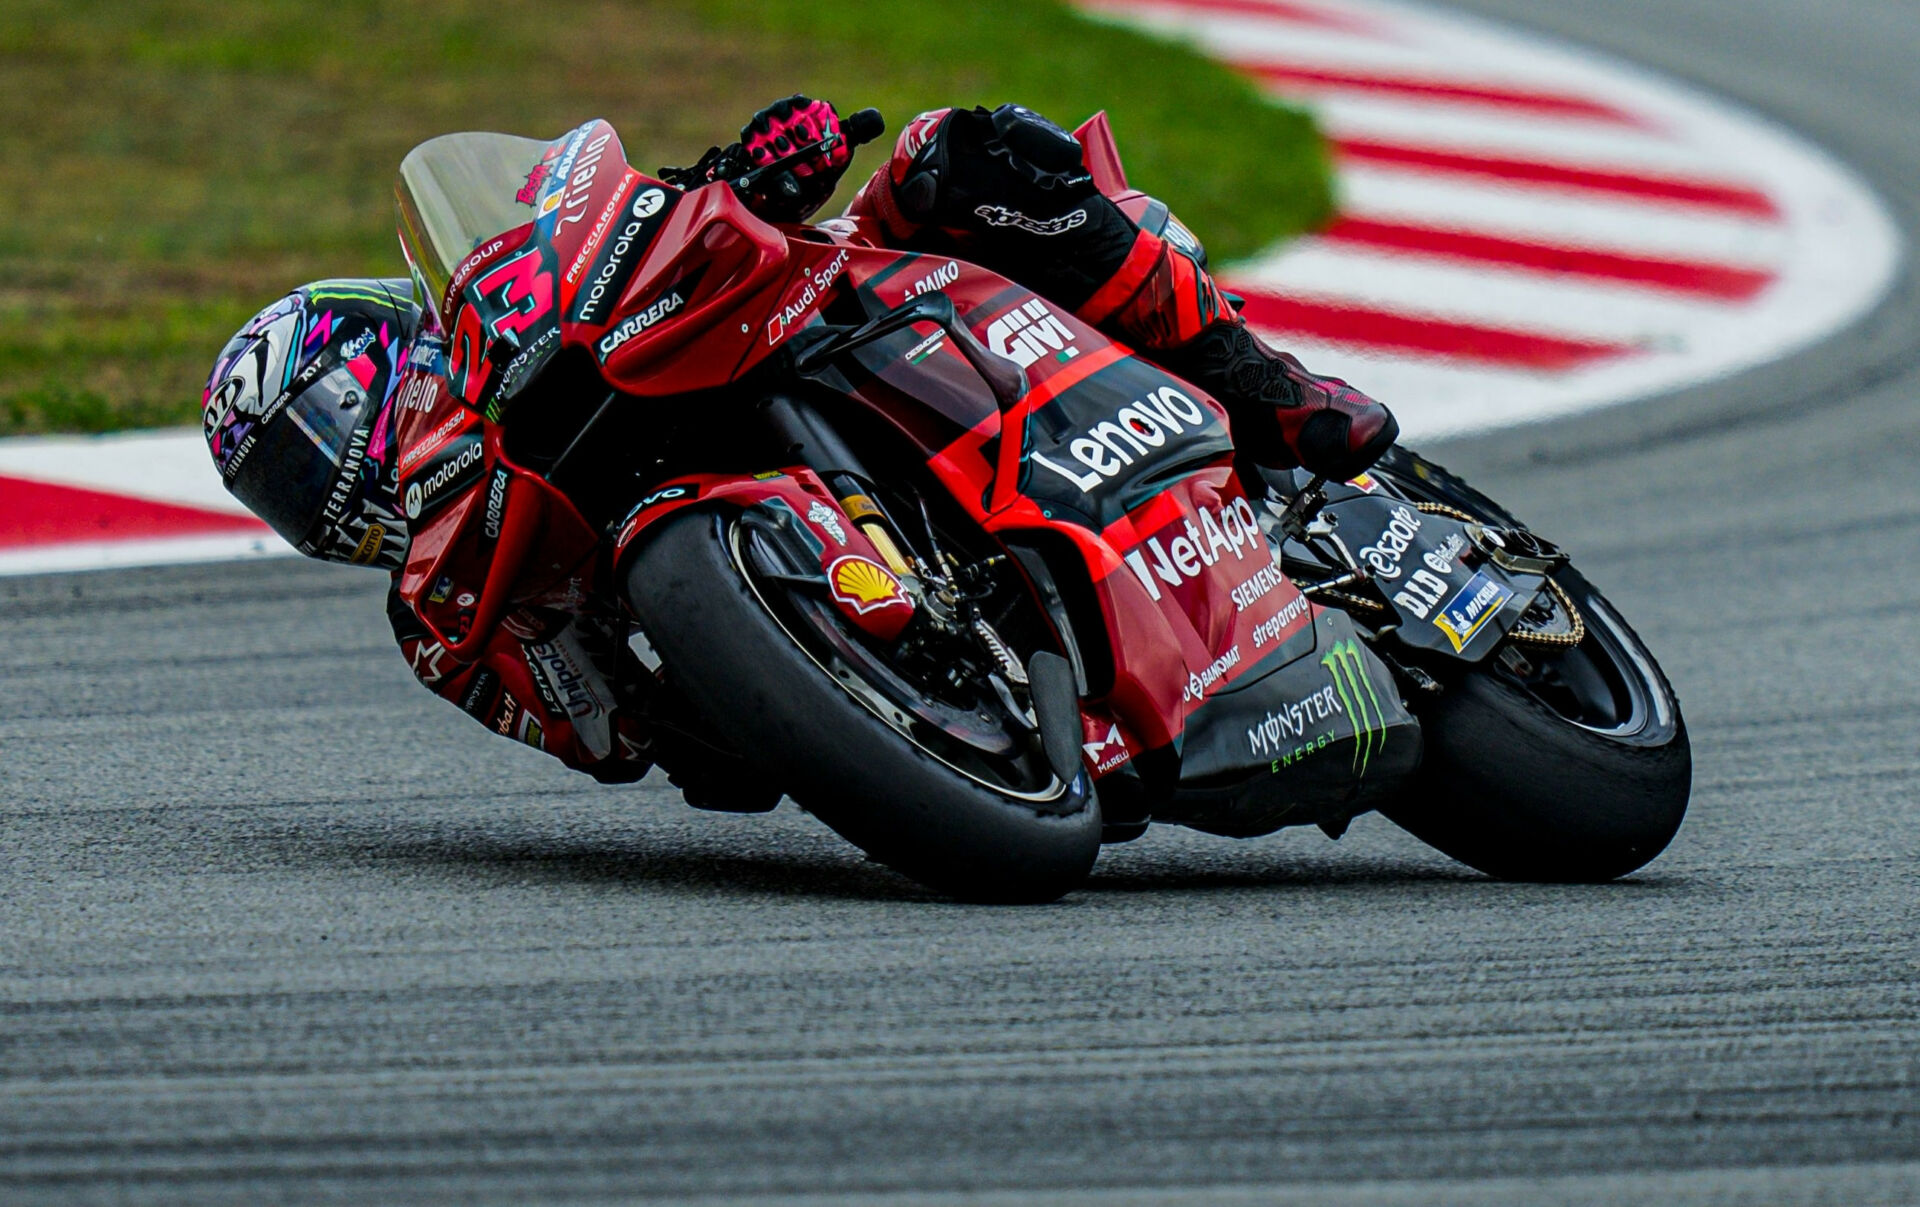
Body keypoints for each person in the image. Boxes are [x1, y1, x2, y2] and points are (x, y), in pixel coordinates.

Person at [200, 97, 1397, 798]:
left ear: (388, 351)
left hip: (842, 301)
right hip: (771, 602)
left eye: (320, 439)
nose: (332, 485)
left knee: (954, 157)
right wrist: (680, 685)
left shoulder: (500, 340)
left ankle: (1271, 393)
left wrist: (755, 168)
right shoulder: (442, 616)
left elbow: (640, 230)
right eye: (292, 491)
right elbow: (625, 748)